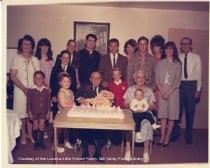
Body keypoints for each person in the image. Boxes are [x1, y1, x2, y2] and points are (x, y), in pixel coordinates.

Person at [10, 34, 40, 144]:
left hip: (33, 91)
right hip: (19, 90)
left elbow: (39, 76)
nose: (27, 45)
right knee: (21, 113)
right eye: (25, 43)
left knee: (30, 114)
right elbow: (12, 76)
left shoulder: (35, 60)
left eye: (29, 44)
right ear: (21, 46)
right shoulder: (16, 59)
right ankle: (23, 135)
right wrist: (23, 89)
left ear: (32, 47)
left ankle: (30, 134)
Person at [123, 70, 156, 163]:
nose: (140, 79)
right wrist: (131, 105)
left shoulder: (149, 90)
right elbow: (124, 104)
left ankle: (145, 152)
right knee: (129, 124)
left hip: (145, 113)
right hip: (131, 112)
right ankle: (128, 150)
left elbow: (153, 106)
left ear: (145, 79)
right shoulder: (130, 89)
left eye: (143, 77)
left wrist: (144, 107)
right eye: (138, 77)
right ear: (135, 79)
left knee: (147, 124)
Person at [76, 71, 107, 162]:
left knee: (102, 130)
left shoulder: (105, 88)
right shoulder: (84, 86)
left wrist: (108, 101)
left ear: (101, 79)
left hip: (100, 115)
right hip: (86, 114)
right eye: (94, 78)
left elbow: (111, 101)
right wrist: (82, 99)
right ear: (90, 79)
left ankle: (98, 152)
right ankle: (85, 152)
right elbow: (77, 97)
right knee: (83, 129)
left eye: (98, 78)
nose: (96, 80)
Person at [155, 41, 182, 147]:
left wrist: (169, 92)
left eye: (171, 48)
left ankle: (167, 138)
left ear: (174, 50)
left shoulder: (178, 64)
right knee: (163, 116)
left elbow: (178, 81)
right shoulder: (160, 63)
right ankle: (162, 137)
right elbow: (157, 79)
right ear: (164, 50)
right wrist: (162, 92)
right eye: (167, 48)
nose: (169, 51)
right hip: (162, 90)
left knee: (171, 115)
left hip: (173, 91)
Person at [178, 37, 202, 144]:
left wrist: (198, 89)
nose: (184, 45)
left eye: (187, 44)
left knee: (190, 112)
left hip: (191, 86)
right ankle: (175, 133)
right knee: (177, 113)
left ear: (190, 45)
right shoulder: (178, 57)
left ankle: (188, 135)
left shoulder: (196, 57)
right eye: (182, 44)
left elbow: (199, 75)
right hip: (179, 86)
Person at [27, 71, 51, 150]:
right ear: (34, 79)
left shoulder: (46, 90)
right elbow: (28, 102)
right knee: (35, 126)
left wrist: (48, 113)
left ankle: (41, 141)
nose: (38, 79)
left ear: (43, 79)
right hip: (34, 111)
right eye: (36, 78)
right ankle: (36, 142)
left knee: (41, 126)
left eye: (40, 78)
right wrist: (29, 112)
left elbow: (48, 102)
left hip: (43, 112)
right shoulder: (31, 90)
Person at [50, 50, 77, 118]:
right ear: (60, 58)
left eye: (68, 57)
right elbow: (52, 83)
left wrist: (72, 96)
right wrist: (53, 95)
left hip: (68, 96)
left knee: (69, 115)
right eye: (64, 57)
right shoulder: (55, 69)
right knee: (57, 115)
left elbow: (74, 84)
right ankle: (56, 128)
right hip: (57, 95)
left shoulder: (72, 70)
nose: (66, 59)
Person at [56, 72, 75, 153]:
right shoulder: (61, 93)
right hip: (61, 114)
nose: (67, 83)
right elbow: (63, 105)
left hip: (69, 113)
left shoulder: (70, 91)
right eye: (64, 81)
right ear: (60, 83)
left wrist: (73, 104)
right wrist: (72, 105)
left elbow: (73, 101)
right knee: (59, 131)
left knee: (67, 129)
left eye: (68, 81)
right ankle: (55, 146)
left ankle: (66, 142)